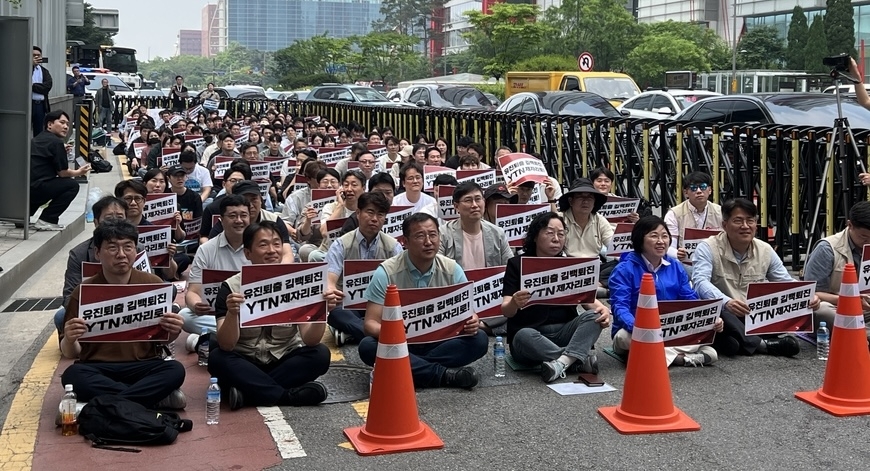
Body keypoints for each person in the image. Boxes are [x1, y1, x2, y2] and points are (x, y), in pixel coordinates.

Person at [59, 219, 186, 409]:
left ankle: (106, 402)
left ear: (136, 250)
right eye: (112, 248)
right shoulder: (83, 291)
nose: (121, 255)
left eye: (128, 247)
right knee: (73, 376)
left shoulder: (153, 283)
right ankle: (149, 399)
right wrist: (69, 339)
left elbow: (163, 340)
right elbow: (70, 353)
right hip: (97, 367)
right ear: (97, 253)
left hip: (143, 365)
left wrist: (174, 330)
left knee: (175, 370)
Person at [209, 221, 335, 410]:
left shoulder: (298, 282)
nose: (272, 250)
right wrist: (232, 313)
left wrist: (321, 311)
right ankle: (287, 395)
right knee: (217, 357)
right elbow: (227, 344)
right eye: (263, 244)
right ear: (247, 253)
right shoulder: (230, 287)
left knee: (320, 354)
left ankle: (249, 391)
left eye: (277, 243)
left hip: (282, 359)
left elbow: (310, 340)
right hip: (245, 360)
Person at [359, 213, 488, 389]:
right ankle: (445, 376)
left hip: (440, 342)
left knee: (479, 339)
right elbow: (370, 324)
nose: (428, 242)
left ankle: (404, 369)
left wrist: (473, 321)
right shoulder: (386, 272)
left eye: (433, 235)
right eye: (420, 236)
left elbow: (469, 312)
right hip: (401, 343)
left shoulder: (452, 268)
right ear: (405, 241)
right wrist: (393, 332)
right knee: (368, 346)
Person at [692, 198, 819, 357]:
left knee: (732, 342)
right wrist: (727, 302)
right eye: (738, 221)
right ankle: (761, 345)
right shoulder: (707, 247)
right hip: (724, 315)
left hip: (751, 315)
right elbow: (700, 282)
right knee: (717, 307)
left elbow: (784, 281)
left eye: (750, 221)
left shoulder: (765, 249)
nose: (745, 226)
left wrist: (807, 295)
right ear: (724, 225)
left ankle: (735, 343)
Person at [501, 212, 611, 382]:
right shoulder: (517, 264)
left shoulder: (571, 265)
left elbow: (587, 299)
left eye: (561, 234)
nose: (556, 238)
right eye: (549, 232)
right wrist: (515, 302)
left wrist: (602, 310)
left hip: (564, 331)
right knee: (523, 335)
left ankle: (561, 362)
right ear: (535, 236)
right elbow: (506, 310)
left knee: (594, 316)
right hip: (533, 335)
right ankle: (575, 359)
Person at [609, 216, 724, 367]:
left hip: (670, 328)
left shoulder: (675, 266)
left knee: (709, 345)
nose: (661, 241)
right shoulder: (624, 270)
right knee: (624, 338)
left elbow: (690, 299)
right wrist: (639, 326)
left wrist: (709, 317)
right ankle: (680, 358)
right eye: (654, 236)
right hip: (637, 329)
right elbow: (620, 307)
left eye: (665, 236)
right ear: (639, 239)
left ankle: (654, 355)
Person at [327, 192, 403, 345]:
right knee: (336, 315)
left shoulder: (393, 246)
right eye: (370, 212)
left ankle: (354, 332)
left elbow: (401, 282)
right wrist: (331, 293)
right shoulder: (341, 244)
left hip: (380, 306)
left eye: (380, 215)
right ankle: (384, 335)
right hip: (349, 305)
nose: (375, 219)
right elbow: (330, 280)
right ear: (358, 213)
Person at [55, 196, 129, 335]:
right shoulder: (78, 254)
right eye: (108, 218)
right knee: (61, 317)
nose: (115, 223)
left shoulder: (139, 248)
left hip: (130, 309)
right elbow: (69, 297)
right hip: (93, 312)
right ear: (96, 222)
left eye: (120, 217)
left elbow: (151, 286)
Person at [181, 195, 252, 335]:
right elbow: (193, 291)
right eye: (232, 216)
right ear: (221, 220)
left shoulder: (259, 246)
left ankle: (208, 337)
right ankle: (233, 333)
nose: (239, 220)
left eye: (243, 215)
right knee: (185, 316)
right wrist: (196, 305)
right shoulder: (206, 249)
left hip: (252, 311)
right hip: (218, 315)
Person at [803, 200, 870, 336]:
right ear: (849, 225)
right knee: (822, 311)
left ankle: (860, 334)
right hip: (837, 307)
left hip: (866, 308)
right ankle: (862, 336)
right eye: (864, 237)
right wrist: (850, 300)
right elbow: (812, 293)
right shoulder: (827, 248)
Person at [30, 110, 89, 231]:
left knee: (50, 184)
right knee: (71, 185)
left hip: (27, 187)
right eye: (62, 122)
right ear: (49, 124)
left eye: (67, 124)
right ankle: (47, 219)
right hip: (39, 187)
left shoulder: (39, 138)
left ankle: (22, 217)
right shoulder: (56, 142)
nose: (66, 127)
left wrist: (61, 151)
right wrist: (79, 172)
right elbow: (63, 173)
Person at [664, 171, 722, 263]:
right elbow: (669, 246)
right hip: (685, 263)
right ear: (686, 193)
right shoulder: (674, 214)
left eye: (703, 187)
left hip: (716, 261)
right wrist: (677, 253)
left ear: (710, 190)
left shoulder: (720, 212)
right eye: (693, 188)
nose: (699, 191)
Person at [558, 178, 613, 259]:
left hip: (595, 265)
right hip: (566, 265)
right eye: (580, 197)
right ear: (570, 201)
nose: (585, 201)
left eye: (590, 197)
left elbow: (612, 244)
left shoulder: (599, 220)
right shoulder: (559, 219)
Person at [31, 46, 53, 137]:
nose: (36, 57)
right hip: (28, 105)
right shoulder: (25, 69)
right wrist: (30, 65)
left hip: (40, 105)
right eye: (34, 55)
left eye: (38, 55)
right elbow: (24, 83)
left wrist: (33, 86)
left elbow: (47, 87)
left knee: (39, 131)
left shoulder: (44, 71)